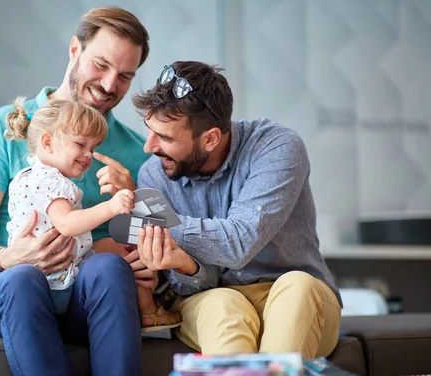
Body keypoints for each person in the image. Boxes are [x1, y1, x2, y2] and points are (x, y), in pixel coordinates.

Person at [0, 7, 156, 376]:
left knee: (109, 266)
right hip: (14, 300)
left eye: (125, 76)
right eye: (101, 64)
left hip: (86, 305)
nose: (110, 85)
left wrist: (135, 204)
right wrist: (7, 257)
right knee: (22, 277)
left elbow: (151, 248)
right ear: (74, 49)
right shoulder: (1, 127)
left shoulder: (136, 151)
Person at [130, 61, 343, 360]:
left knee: (298, 287)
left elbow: (239, 243)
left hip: (293, 292)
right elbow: (195, 282)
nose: (149, 147)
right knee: (222, 305)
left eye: (165, 138)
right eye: (150, 131)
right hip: (212, 296)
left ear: (210, 138)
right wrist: (183, 265)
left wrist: (159, 224)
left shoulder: (277, 146)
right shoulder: (154, 174)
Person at [3, 97, 181, 329]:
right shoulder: (49, 181)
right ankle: (148, 310)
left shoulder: (29, 175)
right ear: (47, 142)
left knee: (115, 246)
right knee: (124, 257)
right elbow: (67, 223)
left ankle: (149, 306)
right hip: (55, 277)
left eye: (93, 148)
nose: (88, 155)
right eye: (80, 144)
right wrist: (111, 206)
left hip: (59, 263)